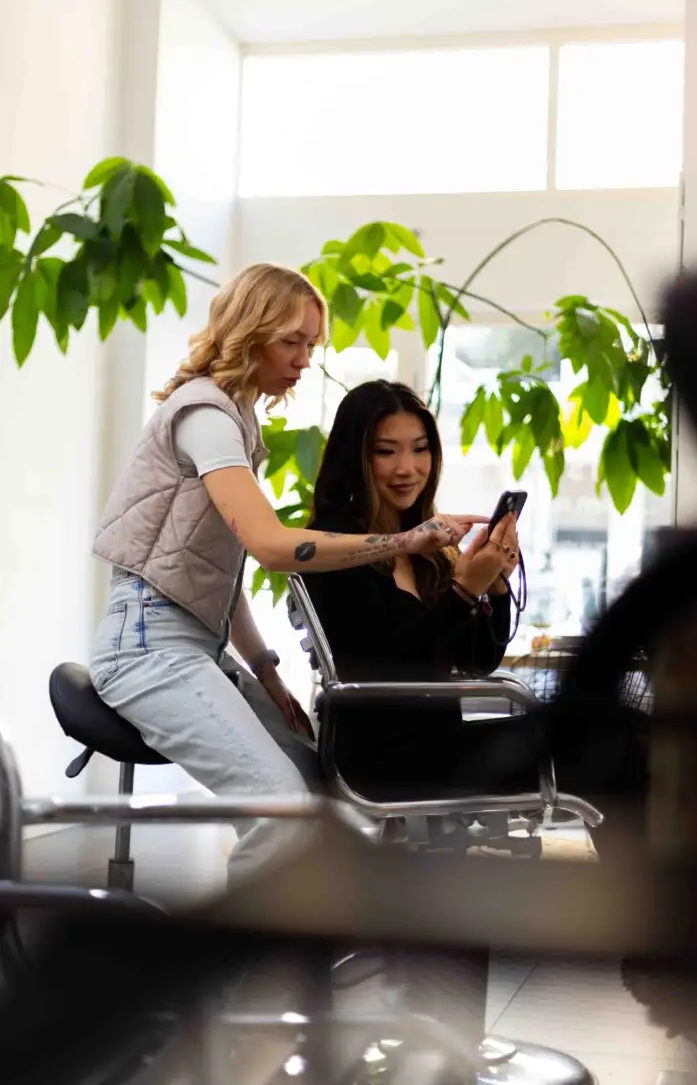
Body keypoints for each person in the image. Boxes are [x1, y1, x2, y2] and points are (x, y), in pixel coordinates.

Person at [89, 265, 482, 884]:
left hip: (196, 646)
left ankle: (300, 965)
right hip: (145, 648)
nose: (303, 360)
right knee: (283, 814)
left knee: (323, 795)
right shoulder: (206, 415)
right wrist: (406, 539)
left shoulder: (241, 421)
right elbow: (271, 546)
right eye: (291, 342)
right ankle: (228, 979)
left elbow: (217, 572)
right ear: (251, 332)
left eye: (311, 345)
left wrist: (265, 669)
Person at [303, 380, 649, 864]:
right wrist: (464, 589)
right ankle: (655, 913)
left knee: (623, 732)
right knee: (612, 741)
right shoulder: (334, 553)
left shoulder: (424, 548)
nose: (408, 468)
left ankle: (653, 905)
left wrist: (497, 584)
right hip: (386, 759)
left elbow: (478, 659)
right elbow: (388, 668)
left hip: (441, 745)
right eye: (386, 451)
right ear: (354, 459)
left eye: (420, 449)